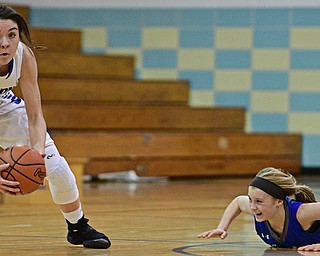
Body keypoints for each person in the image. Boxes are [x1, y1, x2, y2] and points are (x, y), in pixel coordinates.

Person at [0, 5, 110, 249]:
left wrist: (37, 154)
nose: (5, 43)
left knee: (56, 167)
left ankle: (78, 226)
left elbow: (35, 114)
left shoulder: (23, 56)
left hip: (3, 104)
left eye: (12, 34)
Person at [198, 167, 320, 251]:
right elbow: (239, 202)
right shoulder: (258, 210)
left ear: (278, 201)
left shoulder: (301, 213)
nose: (252, 207)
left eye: (259, 201)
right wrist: (222, 228)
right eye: (251, 199)